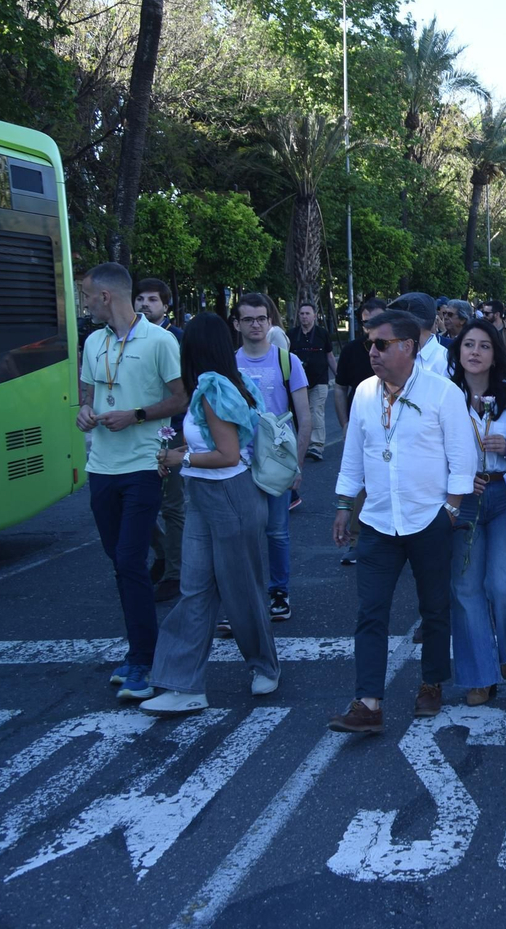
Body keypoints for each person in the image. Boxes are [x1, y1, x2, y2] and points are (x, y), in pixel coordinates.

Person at [329, 308, 477, 735]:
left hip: (429, 518)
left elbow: (462, 458)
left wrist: (449, 510)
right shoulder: (363, 393)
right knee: (370, 612)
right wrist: (343, 506)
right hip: (377, 521)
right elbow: (354, 454)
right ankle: (368, 702)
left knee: (434, 608)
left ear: (408, 347)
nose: (371, 352)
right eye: (368, 344)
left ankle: (432, 682)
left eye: (381, 344)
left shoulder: (442, 393)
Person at [141, 313, 279, 714]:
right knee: (195, 589)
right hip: (209, 495)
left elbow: (228, 455)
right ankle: (183, 685)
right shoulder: (230, 382)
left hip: (229, 495)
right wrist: (185, 459)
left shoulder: (213, 388)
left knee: (241, 591)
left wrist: (178, 459)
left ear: (193, 349)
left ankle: (264, 666)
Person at [77, 262, 188, 701]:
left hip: (144, 465)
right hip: (100, 467)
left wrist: (136, 415)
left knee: (128, 559)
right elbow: (86, 398)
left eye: (86, 295)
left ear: (106, 296)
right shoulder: (93, 342)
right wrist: (84, 414)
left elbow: (181, 397)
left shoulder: (161, 341)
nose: (84, 302)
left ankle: (145, 658)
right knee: (123, 563)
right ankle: (140, 651)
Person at [447, 318, 506, 706]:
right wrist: (457, 478)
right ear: (458, 352)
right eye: (468, 345)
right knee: (465, 588)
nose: (475, 352)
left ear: (496, 354)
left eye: (484, 346)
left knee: (503, 584)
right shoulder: (444, 395)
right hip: (464, 500)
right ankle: (479, 674)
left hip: (505, 495)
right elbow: (432, 450)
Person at [233, 293, 311, 623]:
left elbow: (304, 417)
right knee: (241, 533)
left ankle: (279, 592)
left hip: (277, 461)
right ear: (237, 324)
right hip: (236, 460)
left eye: (261, 318)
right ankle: (245, 597)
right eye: (248, 319)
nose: (255, 324)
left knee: (277, 532)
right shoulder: (228, 361)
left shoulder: (286, 361)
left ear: (270, 322)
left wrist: (298, 464)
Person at [135, 277, 186, 601]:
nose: (144, 304)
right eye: (139, 298)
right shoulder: (130, 339)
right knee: (137, 501)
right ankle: (164, 552)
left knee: (172, 505)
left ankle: (175, 573)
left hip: (172, 428)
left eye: (152, 299)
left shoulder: (176, 337)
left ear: (165, 306)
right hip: (138, 430)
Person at [334, 298, 386, 566]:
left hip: (392, 424)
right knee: (359, 480)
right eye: (366, 322)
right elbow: (340, 387)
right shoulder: (353, 350)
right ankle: (356, 540)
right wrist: (345, 422)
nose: (370, 326)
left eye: (375, 320)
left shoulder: (395, 349)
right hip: (362, 423)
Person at [290, 303, 337, 463]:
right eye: (301, 313)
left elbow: (330, 356)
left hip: (320, 381)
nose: (304, 316)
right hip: (299, 384)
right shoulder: (291, 335)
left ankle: (316, 446)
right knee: (301, 414)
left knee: (316, 411)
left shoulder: (322, 334)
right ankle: (302, 443)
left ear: (314, 316)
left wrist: (340, 376)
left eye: (307, 313)